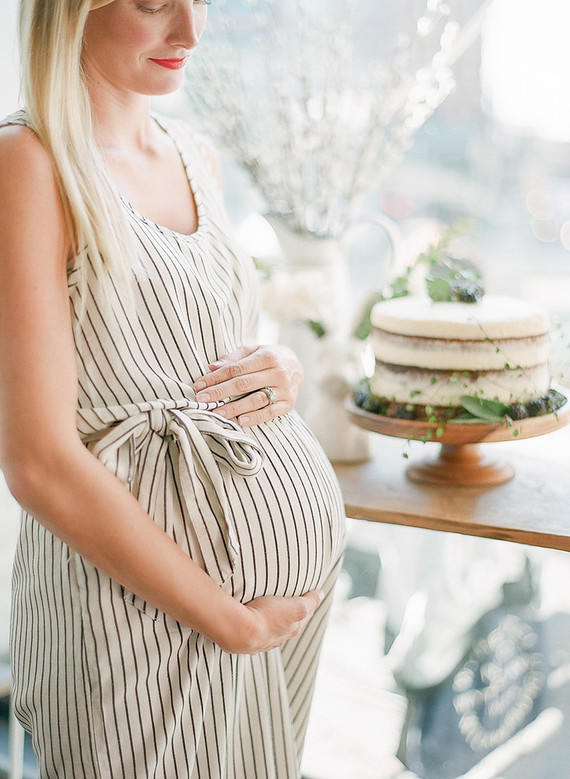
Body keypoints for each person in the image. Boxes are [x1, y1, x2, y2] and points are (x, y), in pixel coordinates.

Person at [0, 1, 346, 777]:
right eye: (156, 4)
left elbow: (191, 346)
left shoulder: (195, 154)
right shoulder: (27, 163)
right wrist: (226, 617)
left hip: (263, 632)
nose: (191, 33)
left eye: (200, 2)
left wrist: (277, 366)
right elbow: (38, 462)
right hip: (139, 618)